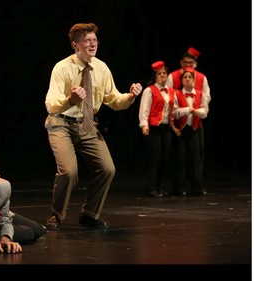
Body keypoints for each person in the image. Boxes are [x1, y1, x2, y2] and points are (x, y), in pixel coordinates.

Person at [44, 23, 143, 230]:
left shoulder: (101, 67)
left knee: (107, 169)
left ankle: (89, 213)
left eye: (95, 40)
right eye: (87, 40)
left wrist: (131, 97)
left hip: (87, 124)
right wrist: (70, 99)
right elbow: (51, 103)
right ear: (75, 45)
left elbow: (114, 99)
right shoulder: (62, 68)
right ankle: (57, 215)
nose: (92, 44)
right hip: (61, 123)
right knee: (69, 171)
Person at [138, 61, 180, 198]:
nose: (162, 75)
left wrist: (175, 125)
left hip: (166, 128)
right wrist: (144, 124)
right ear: (155, 76)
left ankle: (161, 187)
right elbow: (144, 109)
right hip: (154, 128)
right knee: (154, 158)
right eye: (159, 73)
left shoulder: (171, 91)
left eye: (164, 73)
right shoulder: (149, 90)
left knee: (165, 158)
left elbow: (173, 111)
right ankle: (151, 187)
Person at [172, 68, 209, 196]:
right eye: (185, 77)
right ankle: (179, 187)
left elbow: (205, 111)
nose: (187, 79)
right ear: (182, 80)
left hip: (194, 129)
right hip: (181, 130)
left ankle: (198, 187)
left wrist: (197, 112)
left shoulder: (200, 94)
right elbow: (174, 113)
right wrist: (186, 110)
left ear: (194, 80)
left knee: (195, 158)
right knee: (181, 159)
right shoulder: (177, 94)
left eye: (190, 77)